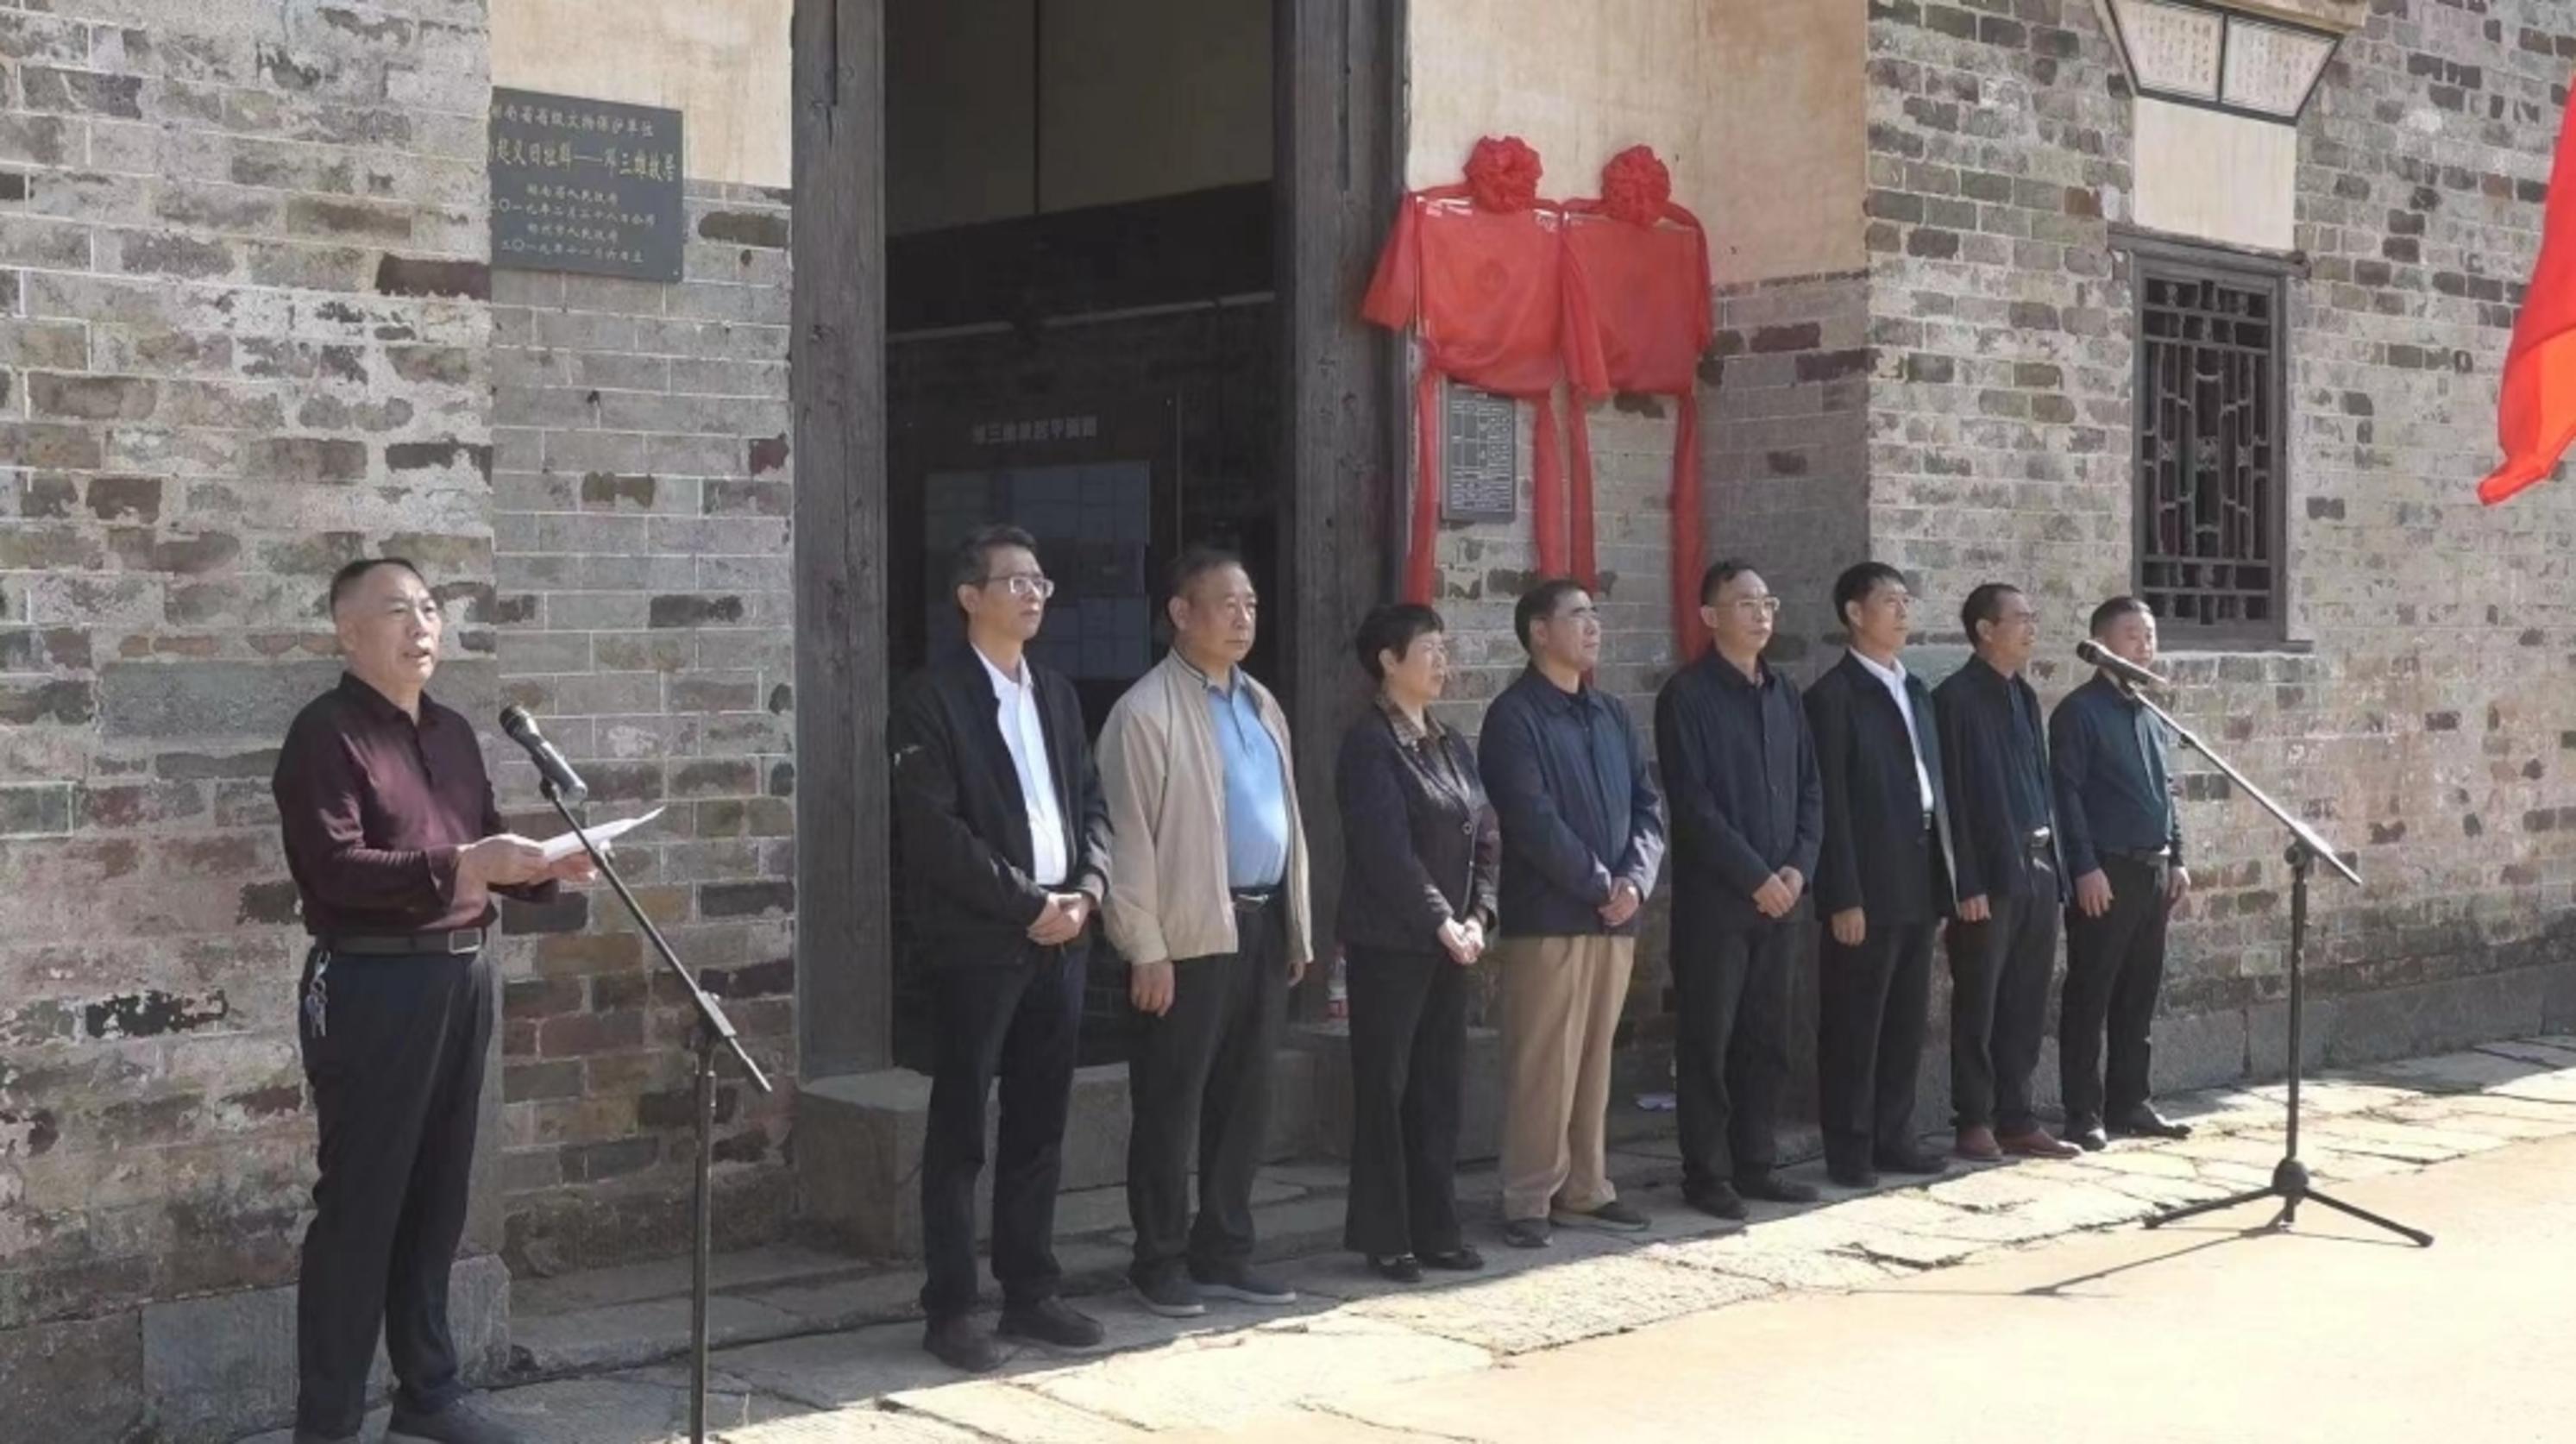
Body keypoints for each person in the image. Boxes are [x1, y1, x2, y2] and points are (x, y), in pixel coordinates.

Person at [273, 558, 594, 1444]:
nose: (420, 626)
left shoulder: (451, 732)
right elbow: (334, 868)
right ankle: (328, 1421)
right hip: (374, 983)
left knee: (438, 1197)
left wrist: (546, 868)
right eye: (395, 611)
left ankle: (428, 1393)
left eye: (428, 608)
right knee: (363, 1204)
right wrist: (462, 864)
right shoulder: (325, 734)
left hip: (463, 975)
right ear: (346, 631)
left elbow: (480, 846)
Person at [889, 525, 1112, 1372]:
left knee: (1040, 1121)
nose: (1033, 595)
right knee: (960, 1130)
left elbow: (1091, 800)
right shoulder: (931, 698)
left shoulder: (1055, 692)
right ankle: (951, 1308)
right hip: (979, 943)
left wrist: (1087, 891)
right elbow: (935, 832)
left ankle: (1031, 1289)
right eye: (1015, 581)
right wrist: (1028, 904)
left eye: (1040, 582)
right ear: (969, 597)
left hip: (1064, 934)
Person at [1099, 548, 1312, 1317]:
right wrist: (1144, 947)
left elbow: (1285, 819)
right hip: (1186, 932)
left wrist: (1296, 924)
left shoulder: (1260, 703)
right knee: (1171, 1103)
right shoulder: (1144, 711)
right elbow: (1125, 841)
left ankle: (1224, 1249)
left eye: (1250, 603)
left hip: (1259, 922)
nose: (1243, 617)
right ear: (1180, 613)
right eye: (1226, 603)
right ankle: (1157, 1259)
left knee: (1243, 1100)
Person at [1478, 580, 1666, 1248]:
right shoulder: (1514, 717)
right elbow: (1530, 818)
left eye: (1595, 615)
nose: (1593, 627)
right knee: (1543, 1062)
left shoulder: (1610, 713)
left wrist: (1636, 880)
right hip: (1550, 914)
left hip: (1616, 916)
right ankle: (1529, 1195)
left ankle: (1586, 1187)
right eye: (1578, 616)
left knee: (1593, 1059)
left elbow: (1648, 807)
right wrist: (1598, 882)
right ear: (1538, 631)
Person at [1653, 562, 1825, 1220]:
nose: (1761, 614)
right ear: (1709, 616)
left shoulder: (1784, 693)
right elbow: (1694, 806)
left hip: (1784, 897)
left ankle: (1757, 1161)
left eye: (1767, 602)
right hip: (1719, 903)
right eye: (1746, 603)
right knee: (1709, 1038)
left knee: (1769, 1037)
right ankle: (1707, 1172)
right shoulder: (1687, 696)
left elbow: (1811, 789)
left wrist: (1798, 869)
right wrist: (1756, 877)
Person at [1335, 604, 1499, 1282]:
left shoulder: (1450, 741)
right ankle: (1387, 1235)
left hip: (1453, 943)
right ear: (1388, 660)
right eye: (1427, 648)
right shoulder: (1370, 744)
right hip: (1391, 943)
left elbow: (1485, 834)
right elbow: (1386, 852)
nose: (1441, 660)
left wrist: (1479, 915)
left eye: (1443, 647)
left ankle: (1438, 1228)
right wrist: (1439, 919)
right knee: (1387, 1088)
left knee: (1438, 1089)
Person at [1804, 562, 1956, 1190]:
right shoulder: (1833, 697)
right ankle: (1850, 1148)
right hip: (1866, 881)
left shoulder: (1914, 690)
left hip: (1918, 873)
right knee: (1854, 1023)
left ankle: (1896, 1135)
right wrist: (1842, 894)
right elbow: (1831, 804)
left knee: (1905, 1019)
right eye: (1888, 601)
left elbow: (1935, 784)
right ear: (1854, 613)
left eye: (1904, 601)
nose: (1901, 612)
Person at [1932, 585, 2083, 1163]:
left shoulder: (2025, 695)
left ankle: (2017, 1116)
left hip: (2038, 865)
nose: (2030, 628)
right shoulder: (1955, 699)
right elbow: (1952, 798)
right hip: (1988, 874)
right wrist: (1965, 881)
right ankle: (1973, 1118)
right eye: (2019, 618)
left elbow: (2039, 784)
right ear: (1985, 629)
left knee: (2026, 997)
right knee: (1980, 999)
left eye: (2033, 617)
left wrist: (2059, 868)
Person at [2051, 596, 2196, 1151]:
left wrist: (2177, 856)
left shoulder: (2151, 712)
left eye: (2150, 635)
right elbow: (2066, 795)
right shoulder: (2080, 712)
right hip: (2105, 870)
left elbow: (2166, 791)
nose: (2145, 646)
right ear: (2102, 642)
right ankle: (2082, 1111)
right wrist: (2084, 867)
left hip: (2152, 870)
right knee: (2092, 992)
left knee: (2139, 993)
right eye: (2133, 635)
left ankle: (2130, 1100)